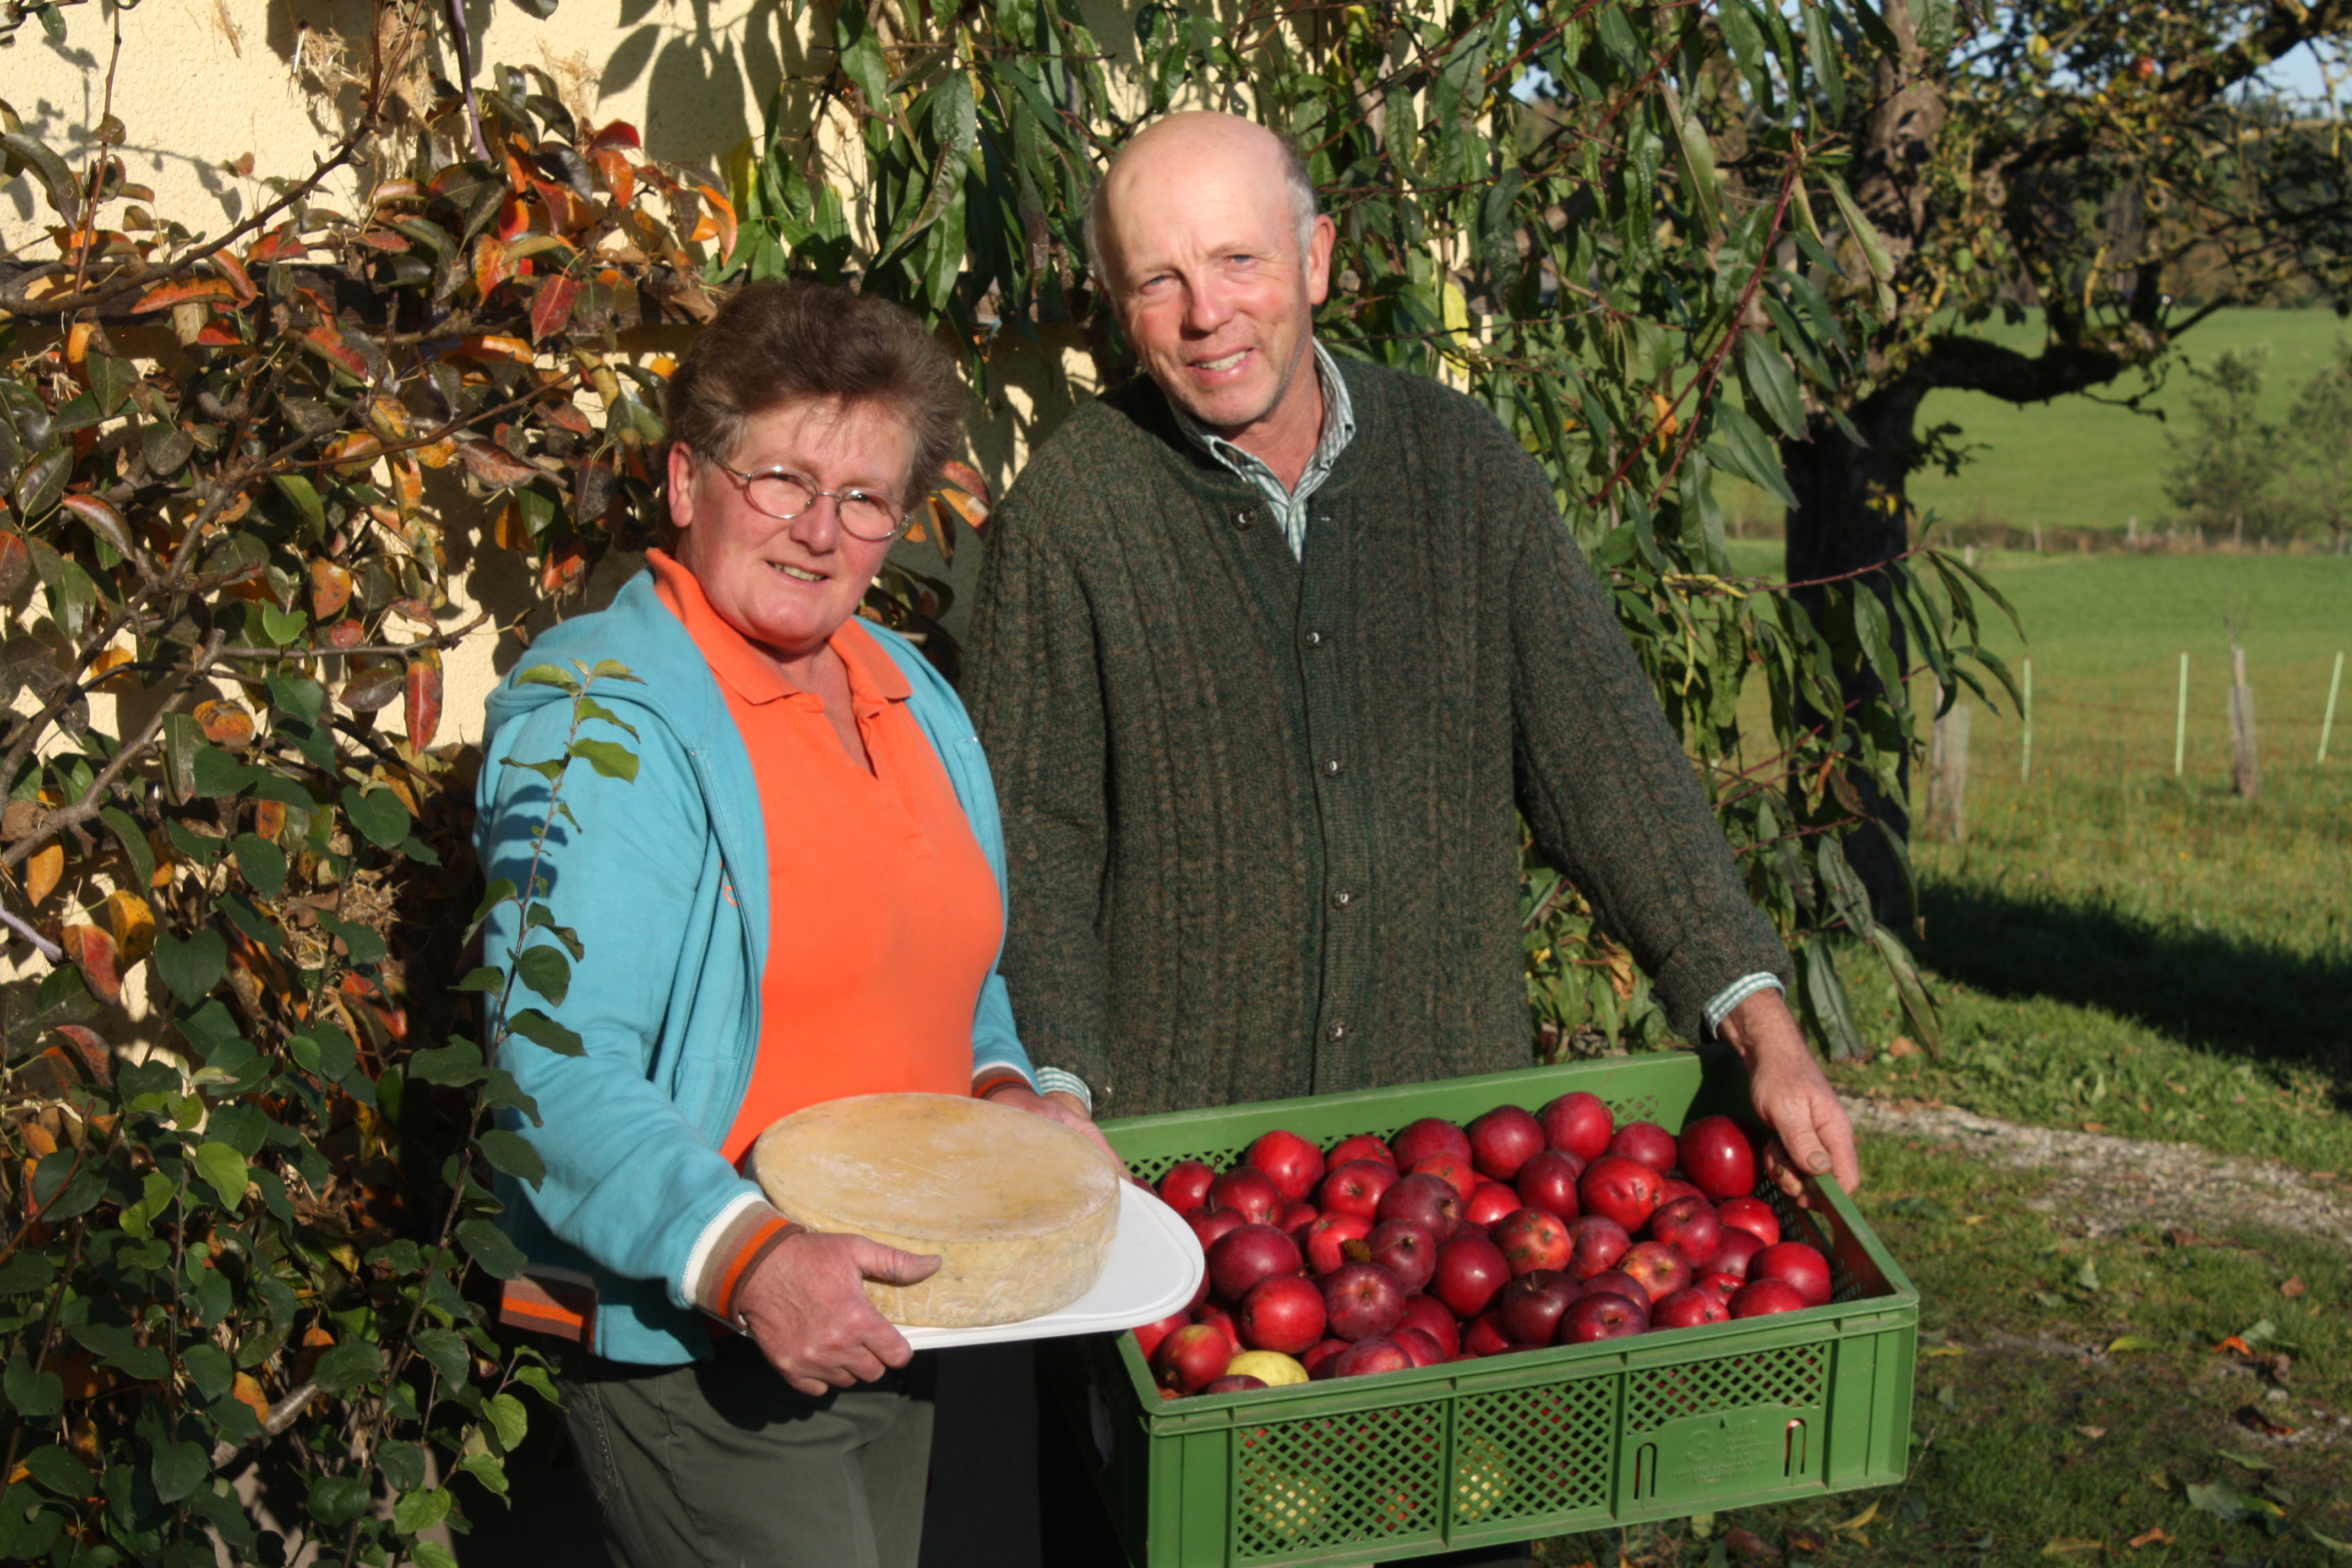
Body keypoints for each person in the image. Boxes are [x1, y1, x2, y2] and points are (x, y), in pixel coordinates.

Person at [961, 113, 1861, 1566]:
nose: (1206, 314)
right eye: (1157, 280)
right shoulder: (1077, 511)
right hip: (1195, 1219)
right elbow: (1031, 841)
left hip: (1458, 1227)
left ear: (1318, 258)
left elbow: (1604, 756)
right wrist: (1054, 1085)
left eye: (1241, 260)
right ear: (1119, 305)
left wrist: (1752, 1007)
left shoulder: (1460, 470)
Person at [473, 280, 1105, 1568]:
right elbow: (550, 1070)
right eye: (780, 481)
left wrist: (1000, 1081)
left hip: (906, 1315)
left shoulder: (908, 688)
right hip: (705, 1335)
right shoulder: (601, 711)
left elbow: (955, 964)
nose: (820, 532)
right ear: (685, 479)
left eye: (866, 498)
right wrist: (752, 1257)